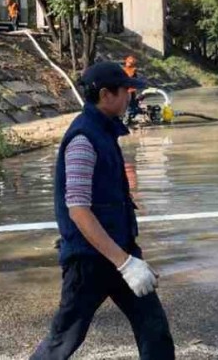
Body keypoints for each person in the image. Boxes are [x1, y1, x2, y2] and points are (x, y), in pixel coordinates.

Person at [31, 61, 174, 359]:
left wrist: (127, 258)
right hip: (90, 262)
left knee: (153, 329)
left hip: (119, 252)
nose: (130, 98)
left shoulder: (105, 131)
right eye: (126, 91)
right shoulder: (83, 139)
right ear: (107, 95)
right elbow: (78, 210)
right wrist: (126, 265)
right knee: (64, 339)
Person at [123, 55, 142, 123]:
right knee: (130, 106)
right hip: (128, 91)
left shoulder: (126, 70)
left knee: (131, 105)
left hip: (129, 91)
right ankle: (127, 118)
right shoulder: (130, 71)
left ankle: (129, 117)